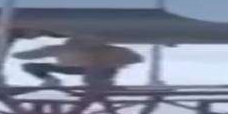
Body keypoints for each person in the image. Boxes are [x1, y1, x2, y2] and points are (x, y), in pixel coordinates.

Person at [12, 37, 144, 88]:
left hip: (99, 69)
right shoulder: (59, 49)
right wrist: (17, 55)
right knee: (28, 66)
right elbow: (35, 54)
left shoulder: (110, 50)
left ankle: (103, 83)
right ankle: (51, 80)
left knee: (94, 75)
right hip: (70, 68)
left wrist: (120, 62)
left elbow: (137, 58)